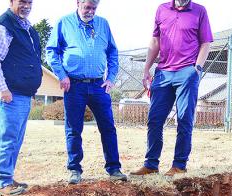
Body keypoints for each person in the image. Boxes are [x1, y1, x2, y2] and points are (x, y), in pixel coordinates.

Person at [46, 0, 127, 184]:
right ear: (78, 3)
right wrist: (61, 75)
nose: (90, 11)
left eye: (94, 8)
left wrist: (111, 78)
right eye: (87, 7)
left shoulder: (103, 24)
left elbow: (113, 52)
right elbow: (51, 51)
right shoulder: (64, 23)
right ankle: (74, 170)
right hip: (74, 85)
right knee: (73, 129)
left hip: (99, 86)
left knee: (108, 128)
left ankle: (114, 168)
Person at [131, 0, 213, 177]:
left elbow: (206, 43)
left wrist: (196, 69)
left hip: (187, 72)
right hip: (163, 73)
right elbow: (155, 41)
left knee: (184, 119)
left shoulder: (200, 11)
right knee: (154, 119)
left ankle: (179, 166)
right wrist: (146, 69)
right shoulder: (162, 9)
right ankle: (151, 165)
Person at [0, 0, 42, 196]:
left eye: (29, 2)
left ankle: (7, 177)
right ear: (11, 2)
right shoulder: (3, 26)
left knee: (15, 138)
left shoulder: (26, 28)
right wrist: (3, 89)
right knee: (6, 137)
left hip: (21, 94)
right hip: (7, 94)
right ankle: (1, 182)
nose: (26, 5)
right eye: (22, 1)